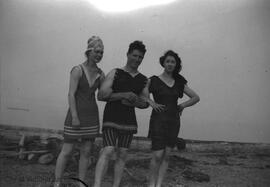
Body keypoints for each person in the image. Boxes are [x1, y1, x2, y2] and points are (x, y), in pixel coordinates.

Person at [93, 40, 149, 187]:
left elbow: (145, 103)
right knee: (108, 150)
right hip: (112, 116)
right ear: (128, 54)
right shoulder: (115, 72)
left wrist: (135, 100)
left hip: (128, 120)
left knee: (123, 154)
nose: (137, 59)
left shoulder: (143, 80)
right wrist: (123, 95)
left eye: (140, 57)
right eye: (135, 55)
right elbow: (101, 95)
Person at [54, 36, 105, 187]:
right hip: (76, 115)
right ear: (88, 52)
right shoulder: (77, 70)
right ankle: (57, 182)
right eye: (96, 52)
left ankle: (81, 183)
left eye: (102, 52)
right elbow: (71, 94)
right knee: (67, 150)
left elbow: (103, 95)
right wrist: (75, 116)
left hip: (91, 116)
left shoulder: (101, 74)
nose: (99, 55)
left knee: (86, 152)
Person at [144, 50, 200, 187]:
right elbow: (143, 94)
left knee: (166, 156)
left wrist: (182, 105)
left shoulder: (179, 82)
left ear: (176, 65)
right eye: (168, 61)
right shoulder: (153, 80)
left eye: (173, 62)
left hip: (173, 121)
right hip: (158, 120)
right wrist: (151, 102)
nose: (170, 64)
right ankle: (151, 185)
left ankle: (158, 185)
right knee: (157, 155)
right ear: (163, 62)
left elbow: (195, 97)